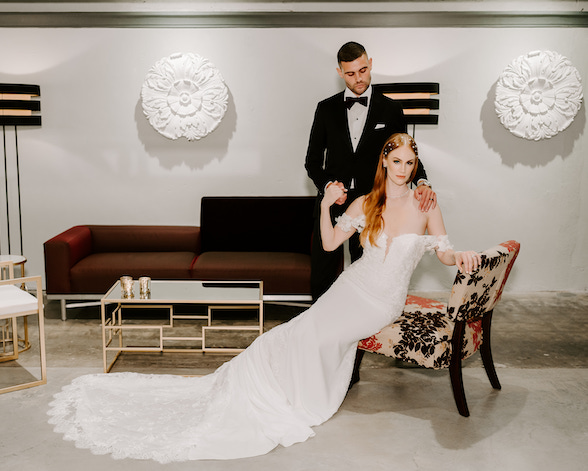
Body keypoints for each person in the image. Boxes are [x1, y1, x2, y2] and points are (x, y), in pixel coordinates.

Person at [48, 133, 479, 464]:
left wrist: (458, 255)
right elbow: (330, 245)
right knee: (297, 330)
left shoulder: (427, 203)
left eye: (410, 162)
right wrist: (328, 204)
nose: (403, 168)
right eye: (396, 161)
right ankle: (260, 387)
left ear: (416, 163)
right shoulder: (367, 202)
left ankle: (300, 398)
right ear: (384, 161)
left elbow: (441, 251)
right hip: (352, 285)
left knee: (319, 338)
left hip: (381, 301)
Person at [305, 41, 436, 300]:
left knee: (367, 270)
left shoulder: (391, 109)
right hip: (333, 203)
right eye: (351, 73)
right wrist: (328, 186)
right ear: (340, 72)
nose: (358, 78)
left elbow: (406, 154)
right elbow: (311, 161)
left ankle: (364, 332)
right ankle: (322, 327)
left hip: (372, 203)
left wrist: (422, 181)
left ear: (370, 64)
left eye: (363, 70)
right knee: (322, 270)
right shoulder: (325, 108)